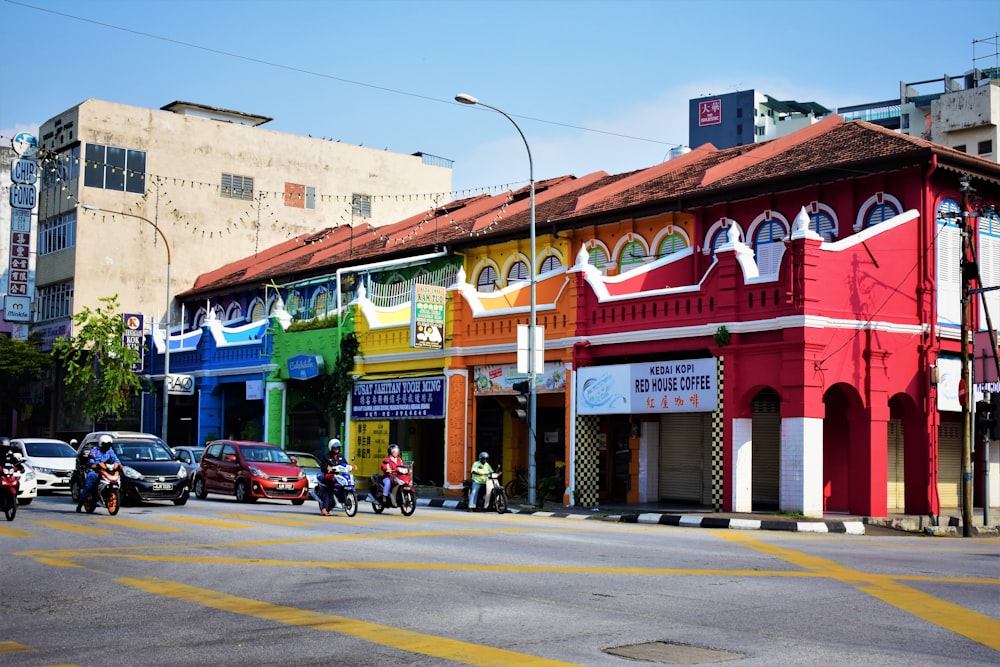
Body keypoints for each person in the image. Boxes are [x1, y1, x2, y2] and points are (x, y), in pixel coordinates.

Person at [76, 435, 121, 513]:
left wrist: (120, 465)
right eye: (105, 444)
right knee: (89, 484)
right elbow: (91, 459)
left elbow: (115, 459)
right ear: (101, 444)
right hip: (95, 470)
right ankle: (80, 503)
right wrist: (93, 464)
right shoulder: (94, 450)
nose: (107, 446)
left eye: (108, 444)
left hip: (107, 469)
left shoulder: (110, 451)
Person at [318, 438, 352, 515]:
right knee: (330, 489)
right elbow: (323, 467)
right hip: (329, 476)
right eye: (335, 447)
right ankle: (324, 509)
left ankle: (342, 499)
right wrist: (328, 467)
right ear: (331, 447)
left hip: (340, 476)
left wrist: (351, 467)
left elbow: (345, 465)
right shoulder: (326, 457)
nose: (337, 449)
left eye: (338, 447)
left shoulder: (341, 456)